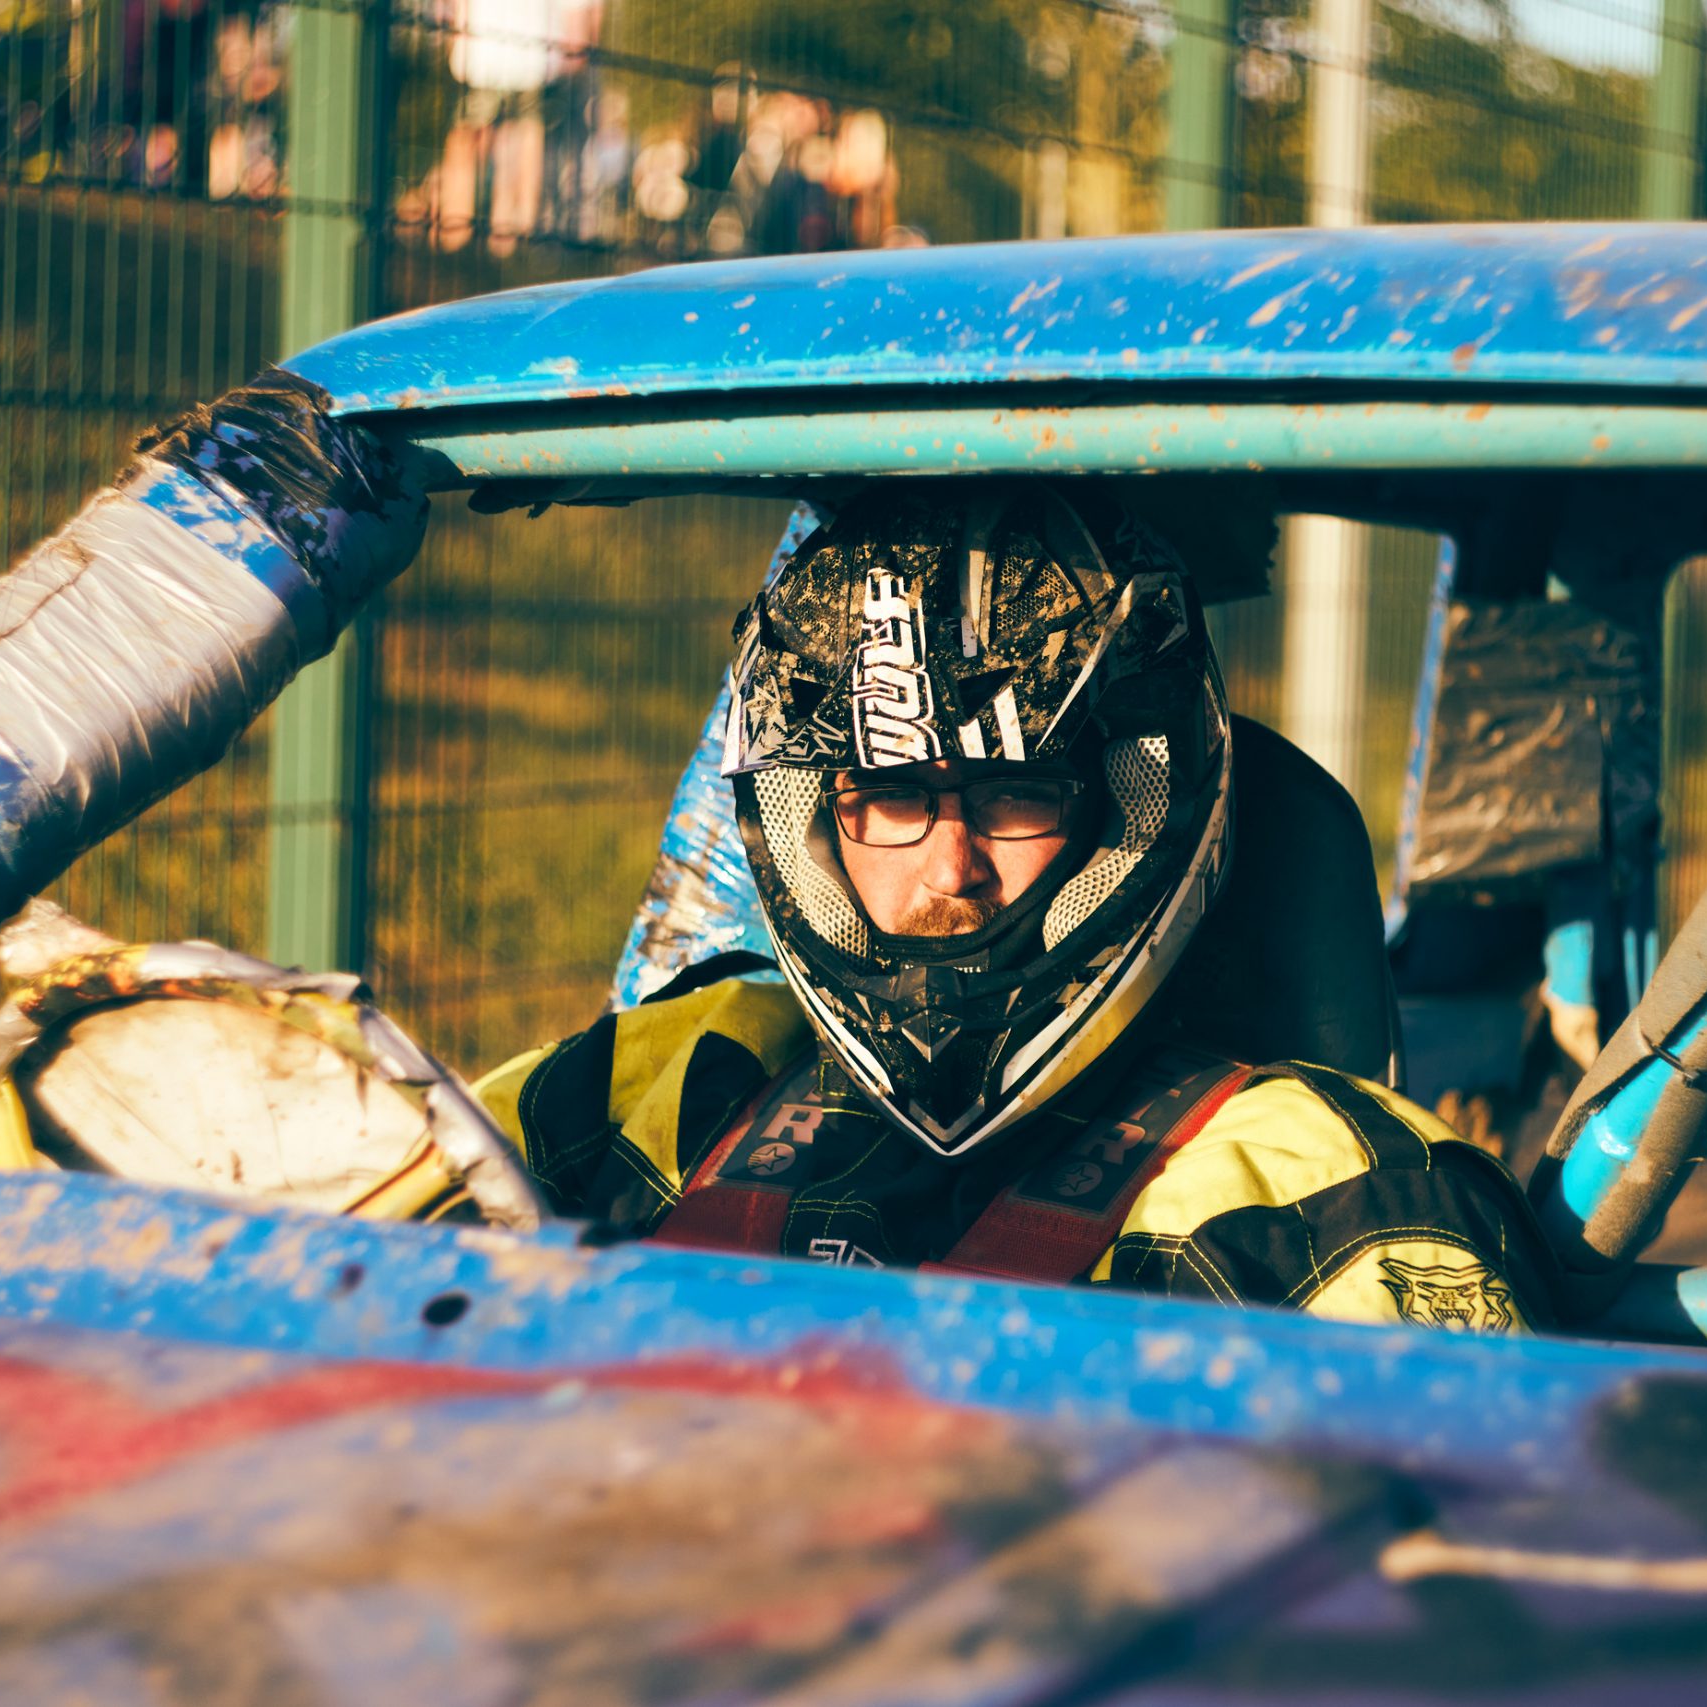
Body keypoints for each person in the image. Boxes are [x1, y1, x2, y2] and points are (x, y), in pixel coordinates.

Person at [466, 484, 1553, 1330]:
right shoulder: (654, 1084)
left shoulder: (1322, 1195)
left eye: (1016, 793)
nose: (951, 868)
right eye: (888, 796)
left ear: (1132, 809)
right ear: (810, 815)